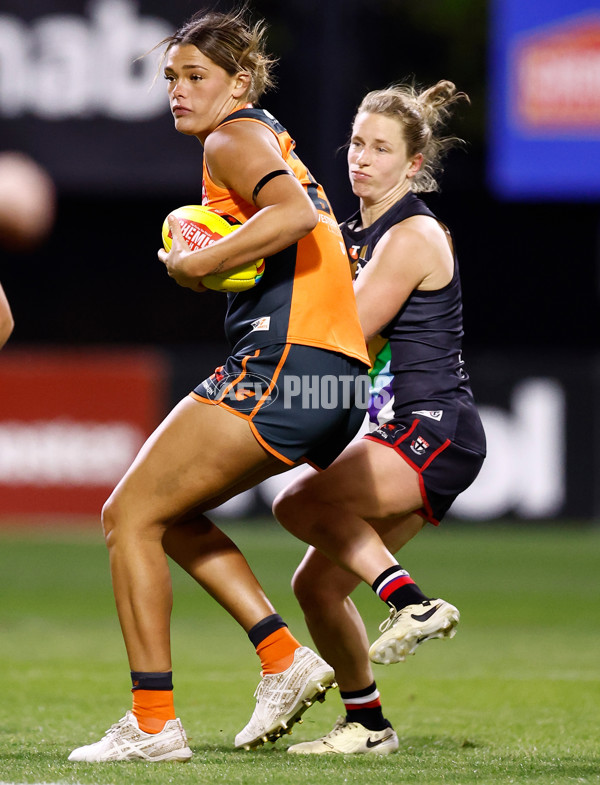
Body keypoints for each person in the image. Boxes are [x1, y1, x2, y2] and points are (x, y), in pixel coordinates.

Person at [67, 6, 375, 763]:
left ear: (239, 83)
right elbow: (287, 229)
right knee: (167, 513)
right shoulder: (261, 138)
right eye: (170, 77)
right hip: (331, 384)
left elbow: (295, 214)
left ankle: (152, 722)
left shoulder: (234, 136)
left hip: (288, 366)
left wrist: (199, 264)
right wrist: (226, 263)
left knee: (127, 514)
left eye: (196, 76)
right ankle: (283, 658)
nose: (178, 90)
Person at [273, 80, 487, 755]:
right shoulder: (361, 233)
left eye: (380, 148)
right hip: (410, 428)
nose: (361, 158)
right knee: (315, 583)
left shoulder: (412, 233)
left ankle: (411, 601)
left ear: (413, 165)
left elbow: (352, 334)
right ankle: (368, 724)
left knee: (297, 504)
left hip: (433, 426)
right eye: (357, 143)